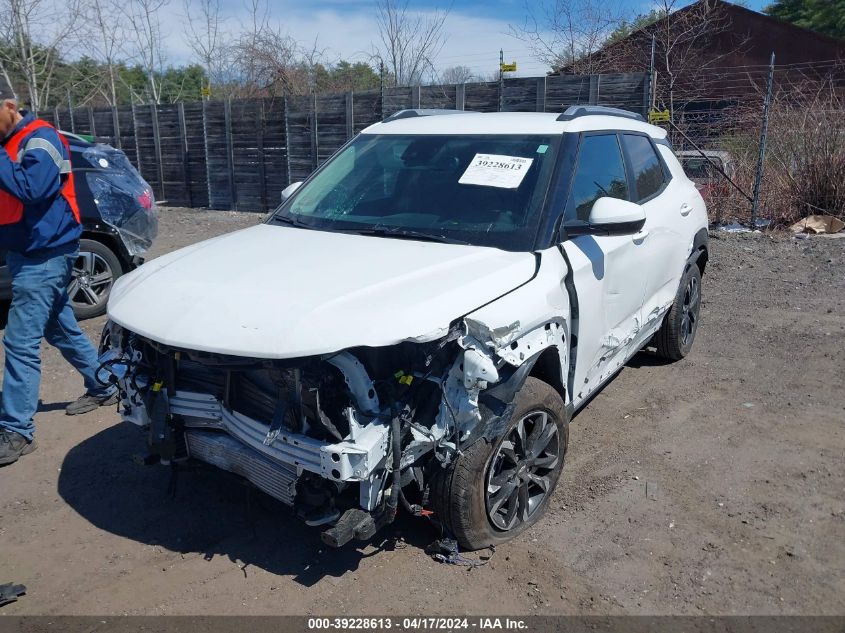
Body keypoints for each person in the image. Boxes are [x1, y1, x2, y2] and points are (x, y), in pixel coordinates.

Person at [0, 82, 117, 466]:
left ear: (10, 105)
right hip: (25, 251)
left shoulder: (41, 139)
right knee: (59, 327)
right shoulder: (12, 143)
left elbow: (31, 188)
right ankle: (104, 383)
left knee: (20, 341)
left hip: (46, 255)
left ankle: (16, 430)